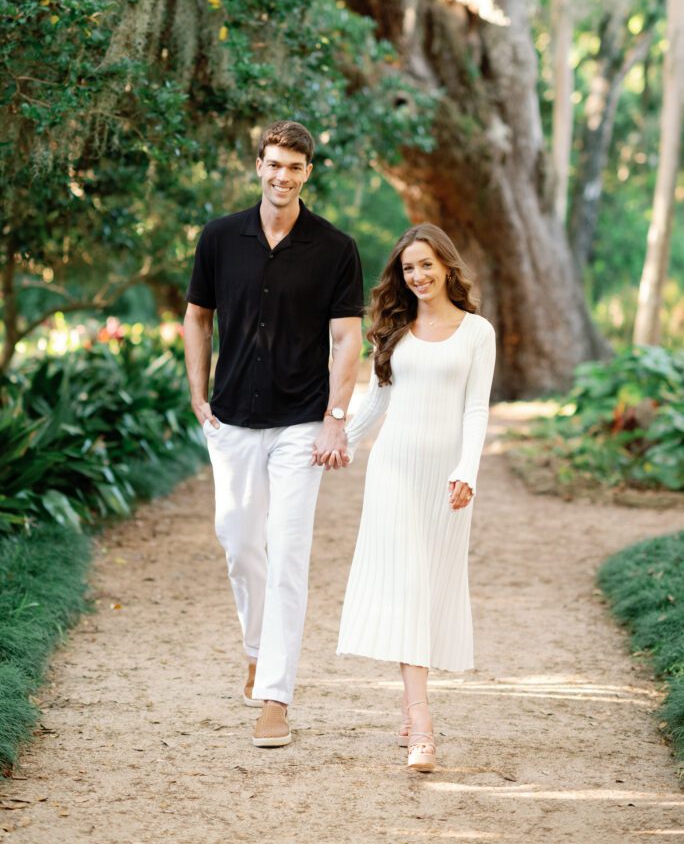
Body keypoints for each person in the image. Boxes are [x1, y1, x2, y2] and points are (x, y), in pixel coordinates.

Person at [183, 120, 363, 748]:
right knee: (237, 540)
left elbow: (346, 339)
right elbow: (197, 317)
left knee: (287, 552)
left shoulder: (335, 248)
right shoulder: (219, 238)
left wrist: (337, 418)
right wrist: (198, 393)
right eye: (273, 164)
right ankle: (257, 650)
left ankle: (276, 697)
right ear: (257, 164)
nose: (281, 176)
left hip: (301, 422)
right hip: (230, 419)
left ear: (308, 172)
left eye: (294, 166)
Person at [337, 223, 496, 772]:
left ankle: (410, 709)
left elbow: (477, 409)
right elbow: (376, 404)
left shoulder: (477, 332)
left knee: (429, 589)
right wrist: (340, 442)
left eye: (426, 264)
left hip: (448, 479)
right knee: (407, 585)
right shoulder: (395, 331)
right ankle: (423, 727)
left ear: (447, 266)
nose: (418, 275)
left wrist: (467, 469)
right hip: (395, 472)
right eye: (408, 268)